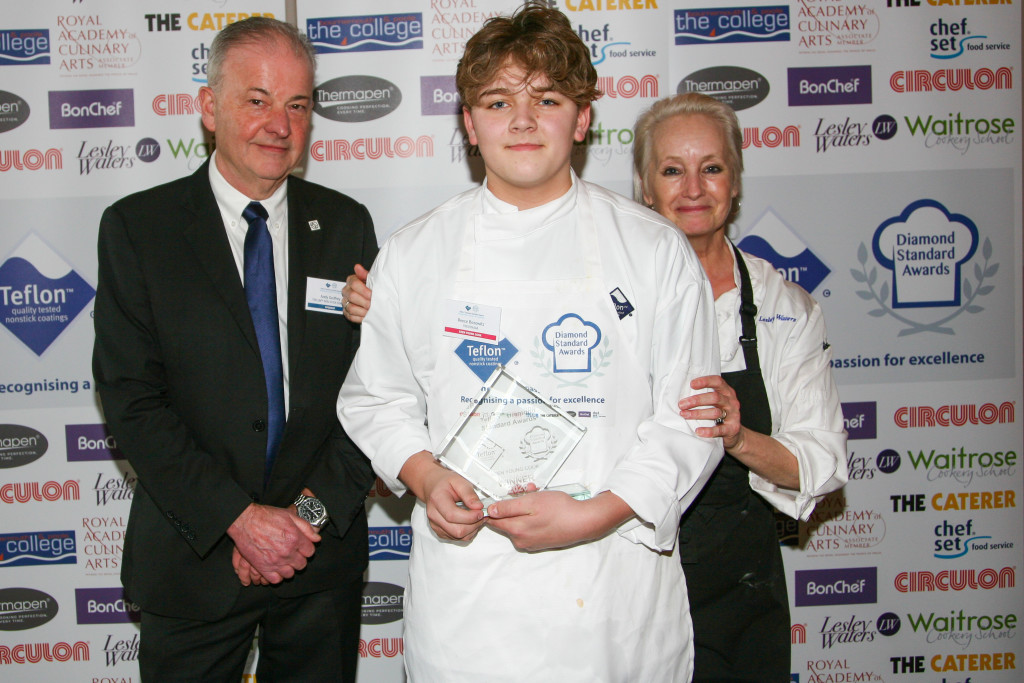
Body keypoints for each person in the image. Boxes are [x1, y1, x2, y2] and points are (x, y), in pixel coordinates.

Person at [337, 4, 722, 681]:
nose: (521, 119)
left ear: (581, 120)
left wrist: (597, 513)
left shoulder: (654, 251)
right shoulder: (415, 253)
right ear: (469, 123)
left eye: (546, 98)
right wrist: (425, 477)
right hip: (469, 605)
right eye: (497, 100)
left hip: (610, 593)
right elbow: (376, 399)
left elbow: (693, 417)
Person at [92, 17, 377, 682]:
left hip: (319, 568)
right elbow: (132, 400)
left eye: (297, 105)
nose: (279, 124)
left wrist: (298, 523)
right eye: (257, 100)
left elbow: (375, 392)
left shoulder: (345, 224)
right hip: (193, 562)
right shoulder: (138, 228)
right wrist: (239, 520)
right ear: (207, 106)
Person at [632, 93, 848, 680]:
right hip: (629, 580)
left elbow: (820, 465)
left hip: (740, 588)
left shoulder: (785, 305)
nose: (693, 188)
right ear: (646, 188)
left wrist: (738, 435)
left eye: (712, 167)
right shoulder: (605, 297)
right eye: (672, 170)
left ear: (736, 181)